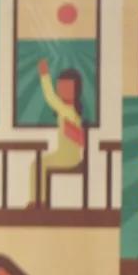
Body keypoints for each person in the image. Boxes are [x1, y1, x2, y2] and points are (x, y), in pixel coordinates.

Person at [35, 59, 88, 207]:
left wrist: (44, 75)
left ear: (75, 90)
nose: (62, 91)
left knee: (37, 165)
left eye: (67, 88)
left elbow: (50, 97)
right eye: (61, 87)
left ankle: (39, 202)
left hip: (68, 158)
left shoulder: (67, 111)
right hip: (68, 156)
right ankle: (40, 201)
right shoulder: (68, 110)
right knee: (38, 164)